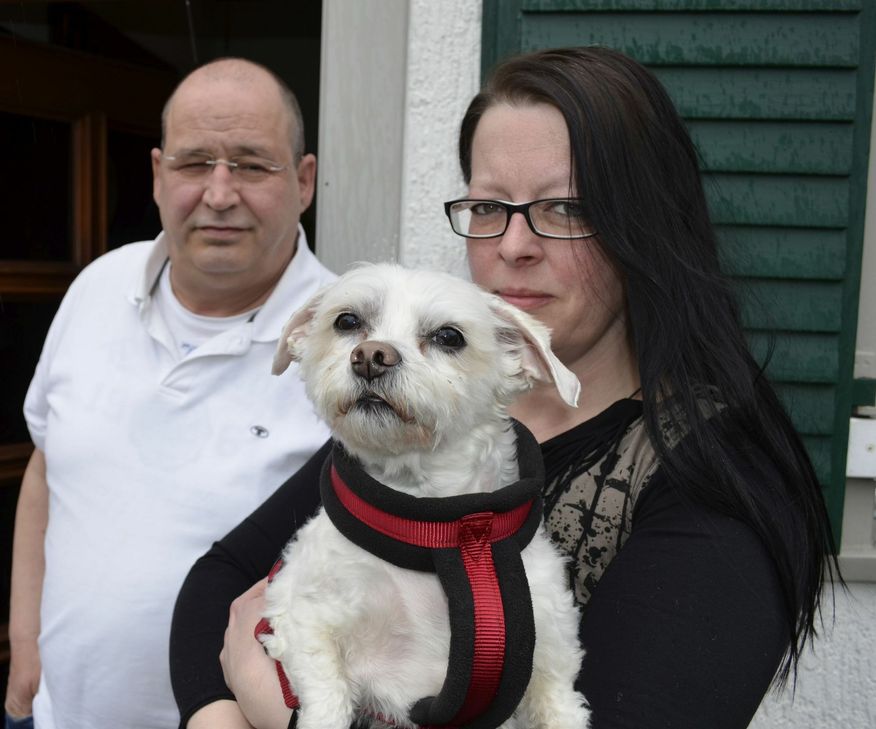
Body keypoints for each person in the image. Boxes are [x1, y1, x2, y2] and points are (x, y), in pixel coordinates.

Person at [169, 47, 838, 729]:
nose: (513, 244)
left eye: (565, 207)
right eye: (489, 205)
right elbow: (220, 579)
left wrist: (272, 703)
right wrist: (217, 716)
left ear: (647, 221)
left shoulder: (718, 471)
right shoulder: (443, 419)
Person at [4, 57, 336, 729]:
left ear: (303, 181)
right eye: (194, 164)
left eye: (249, 164)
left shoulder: (342, 343)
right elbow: (47, 468)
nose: (218, 193)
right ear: (157, 175)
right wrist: (24, 645)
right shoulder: (98, 286)